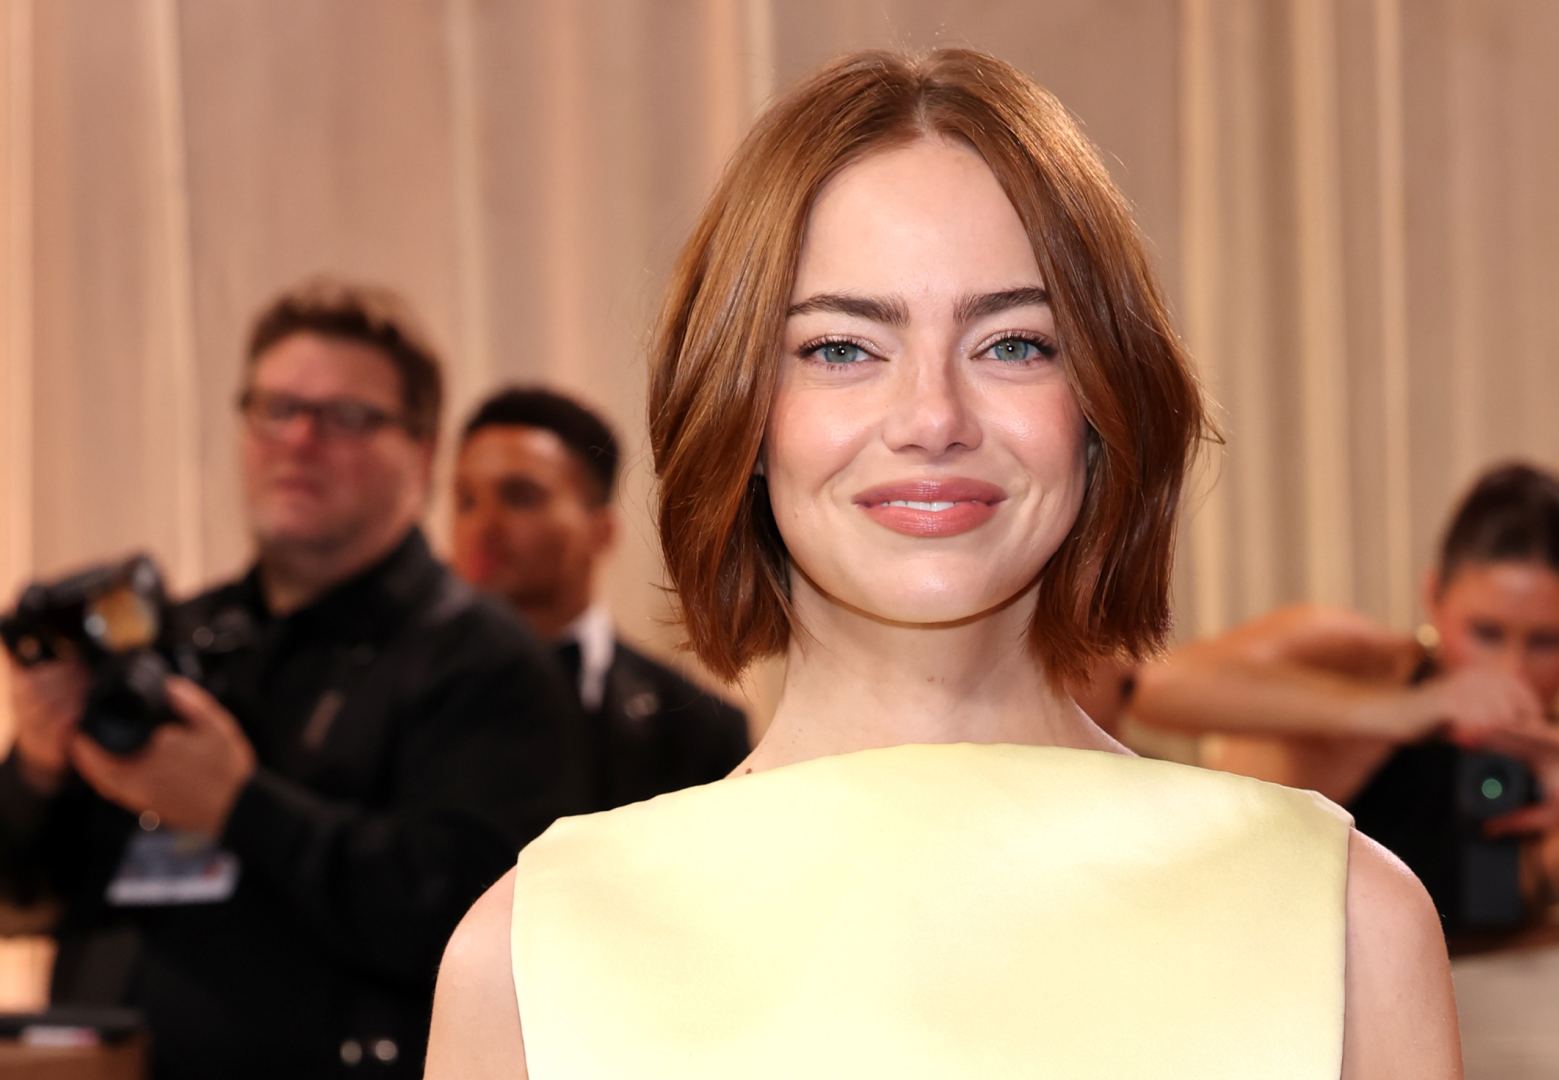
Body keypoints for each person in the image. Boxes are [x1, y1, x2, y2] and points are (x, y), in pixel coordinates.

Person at [426, 48, 1460, 1079]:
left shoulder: (1342, 924)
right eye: (840, 348)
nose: (933, 419)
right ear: (737, 413)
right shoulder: (531, 957)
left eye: (1014, 343)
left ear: (1104, 411)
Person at [0, 283, 584, 1079]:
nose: (298, 440)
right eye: (276, 409)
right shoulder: (178, 636)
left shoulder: (483, 660)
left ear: (420, 453)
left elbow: (473, 925)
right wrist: (37, 759)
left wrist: (239, 808)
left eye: (344, 417)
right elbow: (18, 896)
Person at [1132, 464, 1559, 935]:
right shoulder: (1355, 660)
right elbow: (1148, 687)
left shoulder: (1555, 772)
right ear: (1434, 599)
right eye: (1485, 633)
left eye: (1546, 641)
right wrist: (1401, 713)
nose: (1510, 670)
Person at [451, 387, 750, 809]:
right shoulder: (395, 692)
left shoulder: (699, 731)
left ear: (602, 528)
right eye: (465, 500)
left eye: (519, 497)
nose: (483, 525)